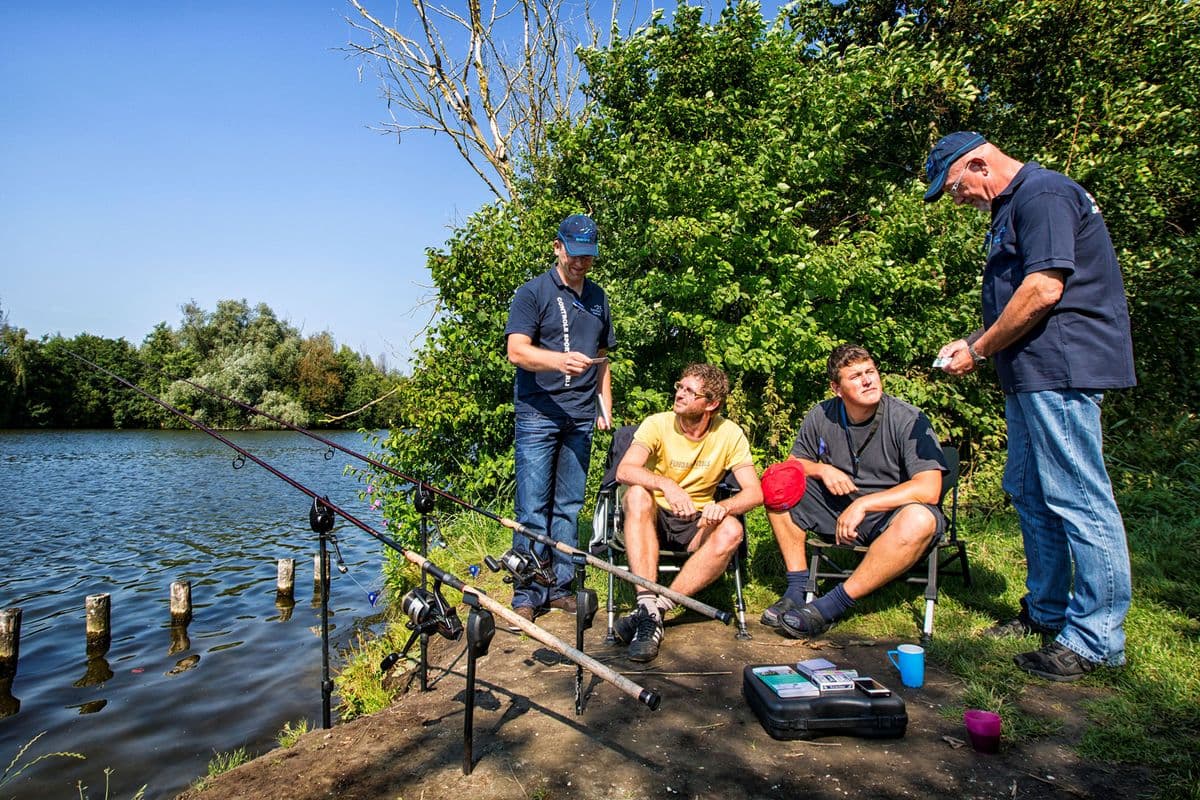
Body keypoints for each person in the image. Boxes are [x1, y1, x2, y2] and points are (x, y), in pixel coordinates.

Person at [926, 131, 1135, 681]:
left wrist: (978, 348)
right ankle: (1047, 614)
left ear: (977, 163)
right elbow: (1020, 298)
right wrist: (977, 341)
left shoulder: (1043, 195)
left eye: (955, 187)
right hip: (1028, 374)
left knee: (1079, 497)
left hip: (1060, 370)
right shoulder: (1017, 204)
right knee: (1029, 490)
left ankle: (1096, 639)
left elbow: (1044, 289)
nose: (959, 198)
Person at [760, 344, 948, 639]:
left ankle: (829, 607)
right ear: (836, 387)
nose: (868, 380)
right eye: (856, 376)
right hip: (839, 506)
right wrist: (823, 469)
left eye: (870, 372)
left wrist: (866, 504)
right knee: (778, 486)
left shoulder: (908, 419)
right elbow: (795, 463)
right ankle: (798, 589)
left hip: (891, 515)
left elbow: (929, 488)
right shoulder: (822, 414)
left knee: (921, 519)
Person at [504, 214, 615, 623]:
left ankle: (561, 586)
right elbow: (517, 351)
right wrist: (558, 361)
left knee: (568, 506)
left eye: (588, 257)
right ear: (557, 247)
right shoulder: (532, 293)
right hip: (538, 413)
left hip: (581, 416)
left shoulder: (599, 297)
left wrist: (605, 405)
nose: (581, 264)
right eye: (574, 255)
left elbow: (604, 360)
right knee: (532, 507)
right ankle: (528, 591)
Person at [612, 363, 762, 662]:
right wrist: (666, 484)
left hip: (697, 522)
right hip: (653, 519)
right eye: (680, 386)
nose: (680, 394)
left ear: (712, 403)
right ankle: (645, 599)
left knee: (733, 529)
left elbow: (755, 492)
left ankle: (655, 611)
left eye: (690, 391)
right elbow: (625, 470)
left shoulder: (729, 434)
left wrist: (723, 507)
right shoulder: (657, 424)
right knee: (638, 494)